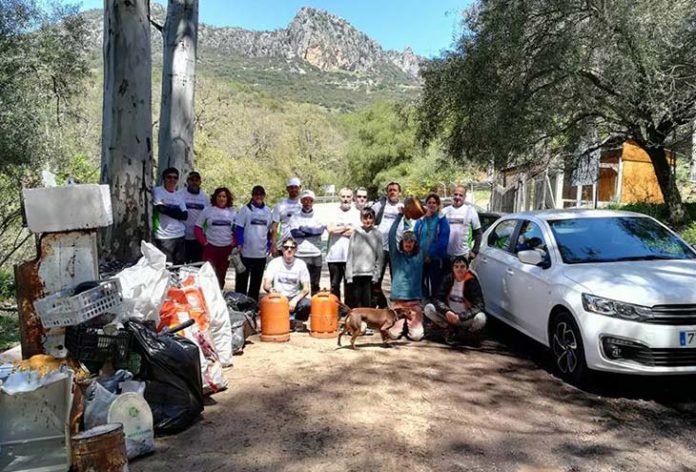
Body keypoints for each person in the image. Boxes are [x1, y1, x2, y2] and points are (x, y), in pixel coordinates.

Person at [424, 255, 486, 345]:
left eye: (462, 267)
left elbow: (480, 305)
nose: (459, 269)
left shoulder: (472, 281)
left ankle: (468, 332)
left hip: (464, 318)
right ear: (452, 268)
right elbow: (437, 299)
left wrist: (461, 316)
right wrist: (447, 311)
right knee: (428, 308)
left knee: (481, 318)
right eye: (456, 267)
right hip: (449, 316)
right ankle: (448, 328)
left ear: (467, 269)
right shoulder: (448, 279)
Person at [386, 212, 424, 341]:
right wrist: (399, 216)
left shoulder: (419, 257)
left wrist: (424, 216)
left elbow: (427, 236)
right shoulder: (395, 256)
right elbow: (391, 235)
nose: (408, 243)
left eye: (411, 241)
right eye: (406, 240)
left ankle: (411, 326)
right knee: (393, 335)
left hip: (414, 302)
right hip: (398, 303)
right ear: (402, 243)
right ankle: (401, 325)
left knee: (417, 336)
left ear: (415, 244)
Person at [262, 237, 311, 330]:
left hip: (294, 298)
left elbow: (306, 289)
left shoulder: (301, 264)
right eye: (286, 247)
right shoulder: (274, 263)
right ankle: (287, 321)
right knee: (266, 302)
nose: (289, 250)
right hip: (278, 297)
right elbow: (266, 284)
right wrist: (272, 290)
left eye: (292, 247)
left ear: (296, 250)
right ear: (282, 249)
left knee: (307, 303)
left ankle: (297, 320)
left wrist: (295, 300)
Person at [234, 185, 273, 301]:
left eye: (261, 194)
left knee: (256, 282)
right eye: (256, 194)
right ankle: (239, 303)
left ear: (264, 196)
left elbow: (270, 231)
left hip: (260, 254)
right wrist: (240, 244)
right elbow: (239, 228)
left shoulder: (268, 211)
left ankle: (252, 304)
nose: (258, 197)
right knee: (241, 281)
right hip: (246, 252)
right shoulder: (245, 210)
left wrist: (269, 245)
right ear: (252, 195)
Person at [370, 181, 405, 308]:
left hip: (397, 249)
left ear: (399, 192)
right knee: (376, 279)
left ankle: (396, 307)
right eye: (390, 190)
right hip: (380, 248)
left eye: (395, 190)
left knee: (396, 279)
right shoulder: (379, 205)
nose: (392, 192)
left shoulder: (403, 207)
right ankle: (379, 305)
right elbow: (367, 218)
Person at [195, 187, 236, 288]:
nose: (221, 198)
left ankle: (220, 294)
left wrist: (234, 242)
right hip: (211, 248)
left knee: (221, 276)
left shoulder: (233, 212)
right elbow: (198, 227)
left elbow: (237, 229)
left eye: (224, 196)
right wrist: (204, 242)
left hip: (226, 248)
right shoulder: (207, 210)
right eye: (219, 196)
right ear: (215, 197)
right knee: (208, 275)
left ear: (227, 198)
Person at [326, 188, 360, 303]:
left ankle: (348, 310)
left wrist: (339, 229)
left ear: (352, 198)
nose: (345, 199)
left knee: (350, 287)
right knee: (334, 286)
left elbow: (357, 231)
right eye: (343, 196)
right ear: (339, 197)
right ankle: (336, 309)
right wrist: (346, 227)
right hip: (334, 256)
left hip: (351, 256)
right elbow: (331, 229)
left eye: (348, 197)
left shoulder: (357, 213)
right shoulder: (332, 212)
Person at [288, 189, 326, 295]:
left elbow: (320, 231)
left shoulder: (319, 215)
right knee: (300, 284)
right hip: (300, 254)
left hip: (316, 254)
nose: (307, 203)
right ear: (301, 201)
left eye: (310, 200)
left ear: (313, 201)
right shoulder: (295, 216)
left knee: (315, 284)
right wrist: (312, 230)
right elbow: (295, 233)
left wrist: (303, 228)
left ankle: (314, 304)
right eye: (305, 200)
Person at [345, 207, 384, 309]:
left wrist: (377, 274)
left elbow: (380, 257)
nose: (368, 221)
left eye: (370, 218)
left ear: (374, 219)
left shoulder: (377, 234)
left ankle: (368, 319)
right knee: (356, 303)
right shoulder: (355, 233)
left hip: (369, 274)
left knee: (368, 303)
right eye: (365, 218)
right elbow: (350, 255)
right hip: (356, 274)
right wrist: (349, 275)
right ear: (361, 219)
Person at [414, 193, 450, 298]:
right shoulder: (421, 219)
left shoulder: (442, 220)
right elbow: (415, 235)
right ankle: (425, 301)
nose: (431, 205)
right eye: (429, 202)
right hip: (421, 257)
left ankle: (434, 303)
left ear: (438, 205)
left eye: (434, 203)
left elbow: (443, 241)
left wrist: (430, 255)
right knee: (419, 283)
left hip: (435, 259)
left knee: (436, 285)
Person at [152, 167, 188, 265]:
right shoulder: (157, 191)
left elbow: (185, 216)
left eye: (175, 177)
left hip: (180, 235)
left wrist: (167, 209)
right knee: (166, 266)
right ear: (164, 178)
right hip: (164, 236)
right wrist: (177, 212)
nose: (172, 180)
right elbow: (160, 209)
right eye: (169, 177)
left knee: (179, 266)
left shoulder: (179, 195)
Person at [442, 184, 482, 266]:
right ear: (452, 195)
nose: (457, 197)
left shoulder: (470, 211)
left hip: (463, 255)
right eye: (456, 194)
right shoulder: (445, 211)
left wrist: (475, 251)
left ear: (464, 197)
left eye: (461, 195)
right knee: (447, 275)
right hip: (446, 255)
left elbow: (478, 233)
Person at [179, 171, 209, 263]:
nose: (194, 182)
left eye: (197, 180)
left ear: (200, 182)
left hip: (198, 237)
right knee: (182, 264)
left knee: (197, 264)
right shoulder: (179, 194)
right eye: (192, 180)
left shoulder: (205, 197)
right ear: (187, 181)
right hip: (182, 236)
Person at [271, 177, 302, 257]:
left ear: (300, 188)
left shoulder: (304, 205)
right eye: (291, 187)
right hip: (282, 245)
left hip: (300, 247)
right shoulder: (280, 205)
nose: (294, 189)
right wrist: (273, 245)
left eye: (296, 187)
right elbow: (274, 226)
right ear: (287, 189)